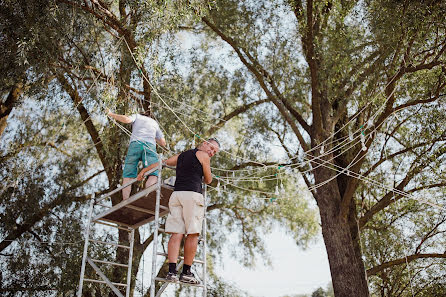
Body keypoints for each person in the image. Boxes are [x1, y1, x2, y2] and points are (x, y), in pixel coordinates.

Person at [137, 138, 220, 284]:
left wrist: (144, 170)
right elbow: (208, 180)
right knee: (193, 233)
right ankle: (186, 272)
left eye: (215, 152)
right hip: (192, 195)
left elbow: (163, 162)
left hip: (176, 196)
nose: (212, 153)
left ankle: (171, 271)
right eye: (212, 148)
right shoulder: (203, 155)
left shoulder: (182, 155)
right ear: (205, 143)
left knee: (177, 233)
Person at [108, 109, 166, 200]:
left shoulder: (137, 116)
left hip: (135, 144)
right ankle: (149, 197)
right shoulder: (155, 123)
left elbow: (127, 119)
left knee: (128, 174)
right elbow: (163, 143)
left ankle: (125, 201)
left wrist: (111, 114)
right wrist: (153, 137)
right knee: (153, 172)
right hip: (149, 146)